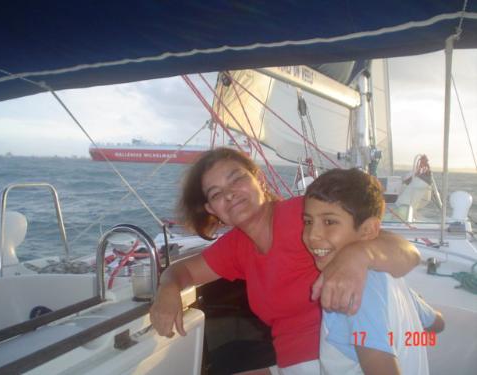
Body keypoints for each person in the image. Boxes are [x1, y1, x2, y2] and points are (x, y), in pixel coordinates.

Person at [150, 148, 420, 374]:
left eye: (236, 179)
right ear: (212, 209)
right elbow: (182, 271)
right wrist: (168, 289)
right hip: (290, 365)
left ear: (260, 180)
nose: (229, 194)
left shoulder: (303, 215)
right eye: (216, 193)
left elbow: (406, 252)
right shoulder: (235, 246)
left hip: (340, 359)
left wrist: (358, 255)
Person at [303, 168, 444, 375]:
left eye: (329, 222)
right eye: (307, 221)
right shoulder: (391, 275)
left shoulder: (352, 293)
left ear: (368, 230)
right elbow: (437, 323)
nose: (312, 235)